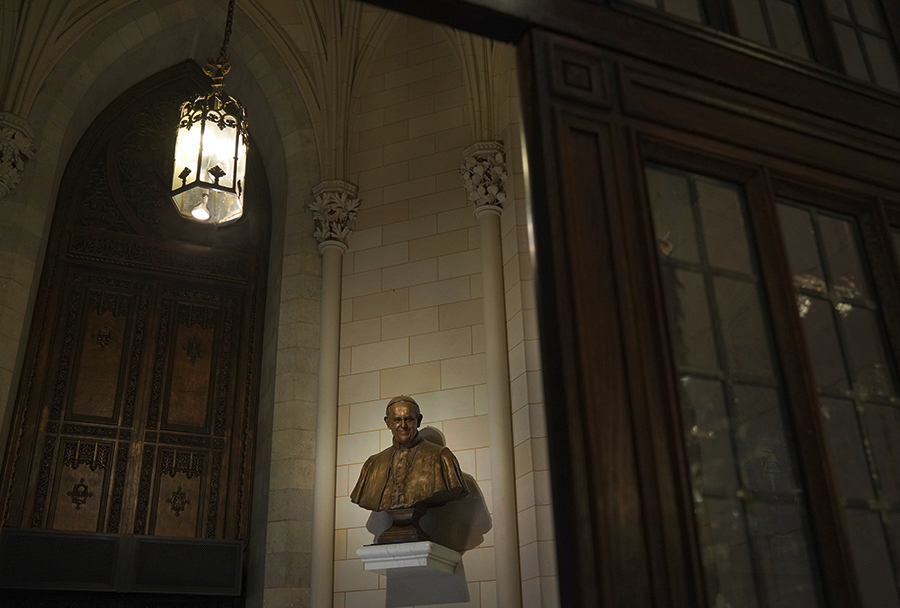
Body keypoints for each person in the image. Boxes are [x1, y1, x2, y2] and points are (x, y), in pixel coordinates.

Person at [350, 395, 469, 511]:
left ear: (419, 420)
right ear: (388, 423)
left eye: (408, 419)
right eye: (397, 420)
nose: (403, 425)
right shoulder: (373, 464)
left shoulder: (441, 456)